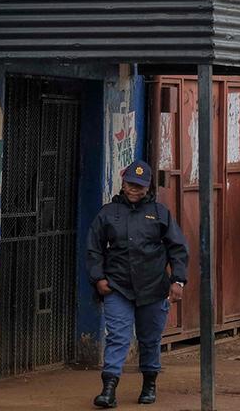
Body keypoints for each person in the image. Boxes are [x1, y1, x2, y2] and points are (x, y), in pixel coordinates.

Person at [87, 161, 189, 408]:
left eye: (140, 186)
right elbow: (94, 248)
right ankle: (109, 389)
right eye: (131, 184)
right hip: (118, 286)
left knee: (150, 338)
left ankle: (149, 384)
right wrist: (99, 278)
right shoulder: (108, 213)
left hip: (153, 287)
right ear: (123, 184)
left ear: (148, 187)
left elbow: (177, 248)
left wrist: (178, 280)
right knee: (118, 337)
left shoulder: (160, 213)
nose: (135, 190)